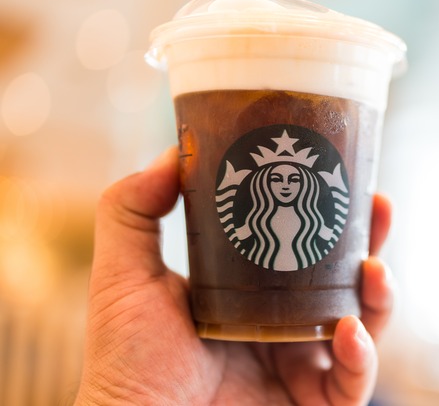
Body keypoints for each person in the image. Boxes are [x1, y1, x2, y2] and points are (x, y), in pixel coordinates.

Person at [75, 147, 395, 405]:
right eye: (276, 179)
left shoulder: (314, 226)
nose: (285, 186)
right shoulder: (251, 225)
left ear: (308, 185)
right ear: (261, 184)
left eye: (294, 180)